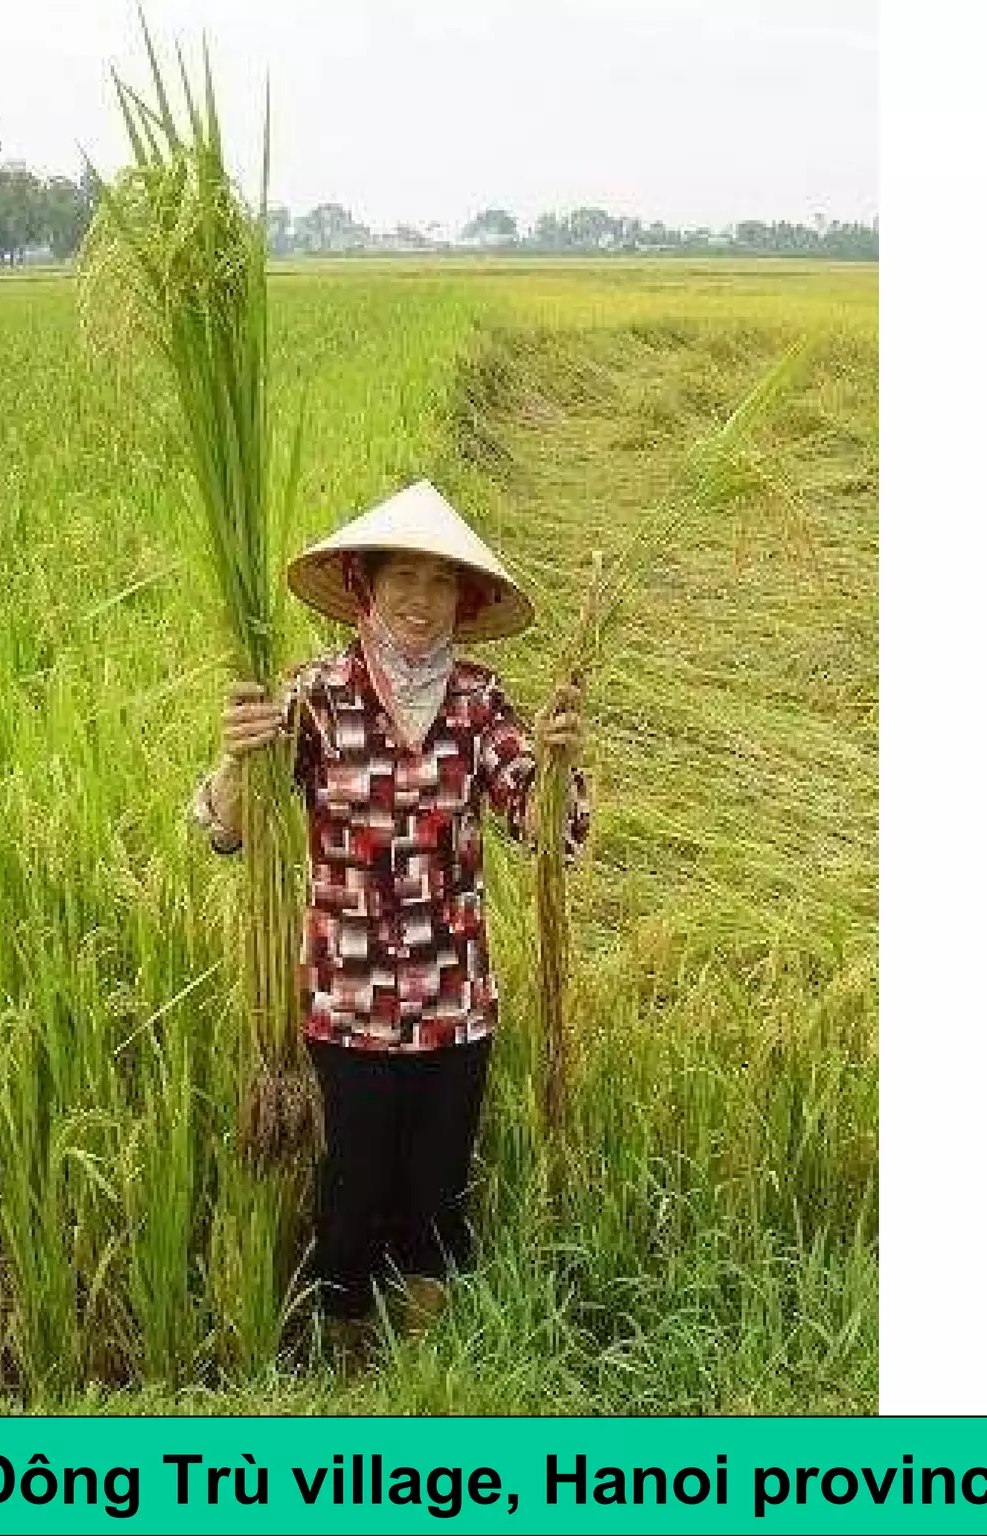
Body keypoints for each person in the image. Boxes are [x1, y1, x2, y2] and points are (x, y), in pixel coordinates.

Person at [190, 479, 592, 1360]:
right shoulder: (315, 695)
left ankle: (425, 1374)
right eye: (401, 577)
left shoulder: (481, 703)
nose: (418, 599)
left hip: (455, 1002)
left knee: (436, 1198)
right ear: (365, 587)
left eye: (439, 581)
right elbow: (227, 828)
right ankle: (347, 1367)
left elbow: (544, 825)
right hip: (347, 1006)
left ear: (465, 598)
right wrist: (234, 758)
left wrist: (561, 762)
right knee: (353, 1195)